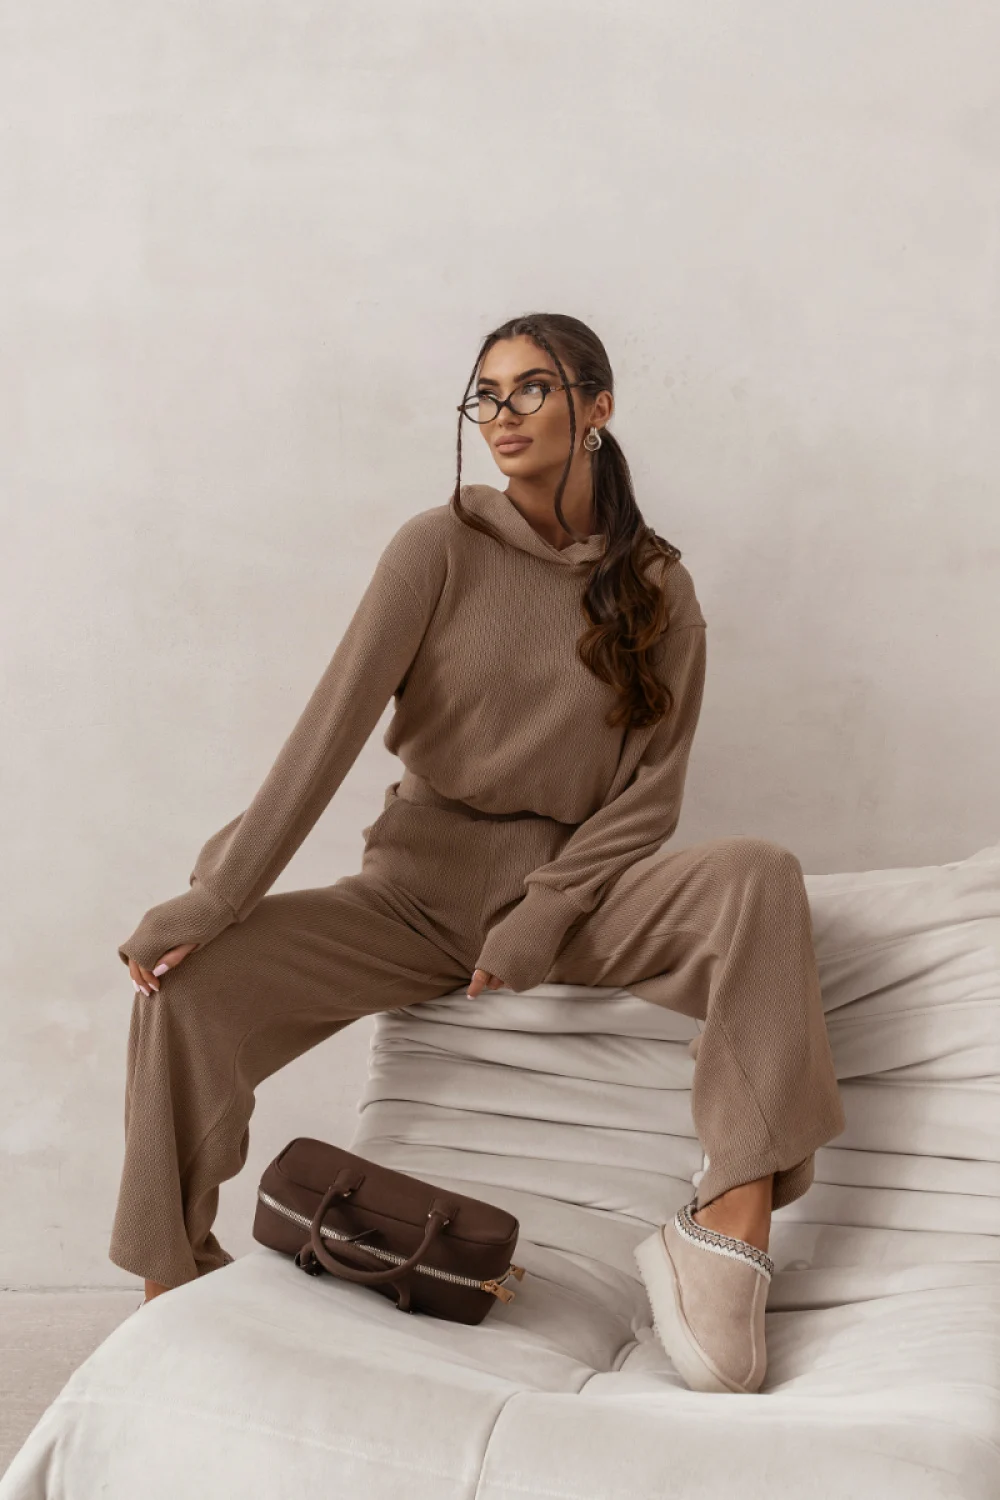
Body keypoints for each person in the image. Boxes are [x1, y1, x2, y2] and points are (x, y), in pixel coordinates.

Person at [114, 312, 845, 1394]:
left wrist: (546, 910)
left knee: (759, 876)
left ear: (597, 408)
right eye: (486, 396)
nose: (503, 416)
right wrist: (216, 898)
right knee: (188, 988)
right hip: (410, 899)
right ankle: (170, 1285)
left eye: (532, 389)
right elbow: (328, 732)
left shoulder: (658, 587)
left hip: (582, 901)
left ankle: (725, 1237)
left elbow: (649, 795)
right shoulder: (435, 549)